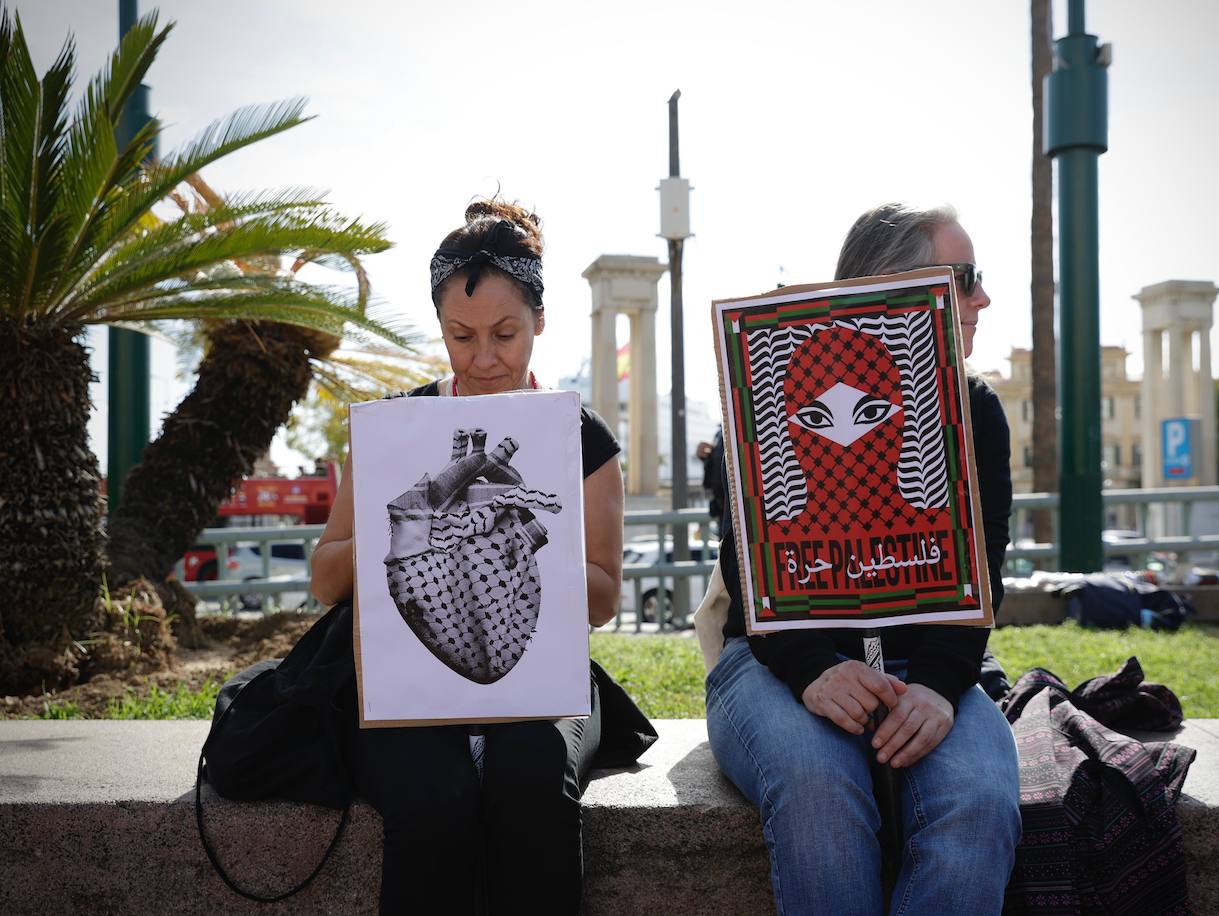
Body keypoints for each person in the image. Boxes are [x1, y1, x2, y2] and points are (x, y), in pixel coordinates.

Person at [310, 198, 633, 915]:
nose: (485, 358)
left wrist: (510, 544)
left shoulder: (581, 438)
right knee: (432, 799)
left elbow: (605, 595)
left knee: (532, 782)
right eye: (461, 336)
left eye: (506, 334)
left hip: (540, 680)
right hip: (408, 682)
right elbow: (325, 575)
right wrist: (410, 532)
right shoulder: (398, 427)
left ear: (540, 322)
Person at [703, 203, 1020, 915]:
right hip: (772, 663)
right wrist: (814, 668)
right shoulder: (756, 390)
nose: (982, 298)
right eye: (964, 278)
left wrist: (939, 685)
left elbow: (982, 569)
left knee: (977, 799)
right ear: (897, 287)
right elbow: (752, 569)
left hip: (932, 664)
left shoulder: (976, 411)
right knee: (819, 785)